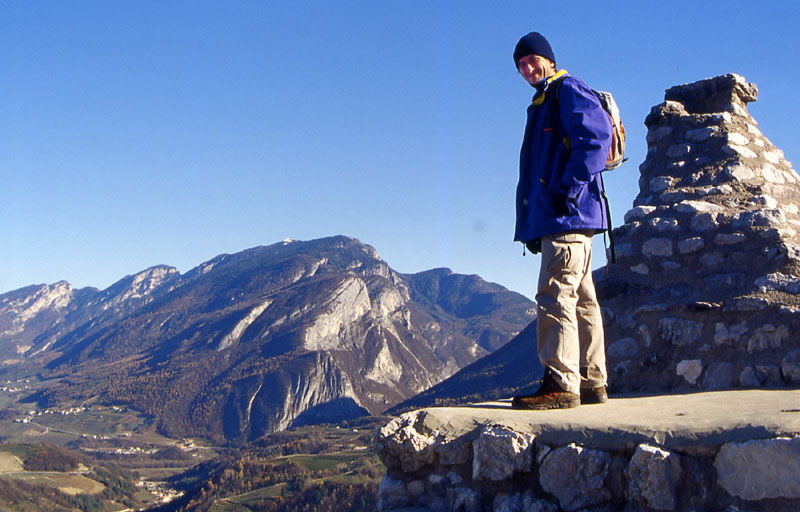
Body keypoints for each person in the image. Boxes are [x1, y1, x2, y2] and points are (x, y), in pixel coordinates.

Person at [510, 32, 612, 410]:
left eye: (532, 60)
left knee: (554, 294)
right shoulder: (545, 100)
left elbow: (596, 138)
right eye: (520, 65)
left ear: (549, 60)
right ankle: (591, 382)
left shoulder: (566, 90)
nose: (527, 69)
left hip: (567, 214)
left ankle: (561, 382)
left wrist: (567, 191)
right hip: (565, 216)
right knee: (582, 299)